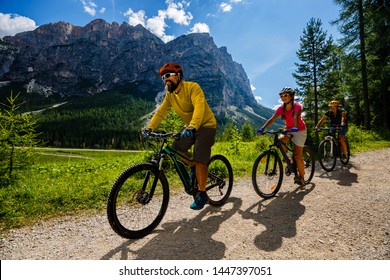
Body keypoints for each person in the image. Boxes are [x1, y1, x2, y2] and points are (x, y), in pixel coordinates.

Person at [144, 62, 217, 210]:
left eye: (168, 75)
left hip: (206, 125)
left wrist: (193, 126)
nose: (165, 79)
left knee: (200, 156)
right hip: (190, 127)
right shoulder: (170, 95)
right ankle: (192, 166)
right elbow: (161, 112)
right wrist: (149, 128)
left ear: (178, 76)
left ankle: (202, 194)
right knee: (175, 148)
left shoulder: (193, 87)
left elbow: (199, 107)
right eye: (163, 77)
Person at [256, 87, 307, 186]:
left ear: (291, 96)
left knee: (297, 155)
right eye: (281, 96)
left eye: (285, 95)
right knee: (280, 139)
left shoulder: (297, 106)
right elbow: (272, 119)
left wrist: (295, 127)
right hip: (288, 129)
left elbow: (296, 116)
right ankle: (288, 158)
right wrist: (262, 128)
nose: (283, 97)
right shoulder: (281, 108)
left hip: (300, 130)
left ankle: (301, 178)